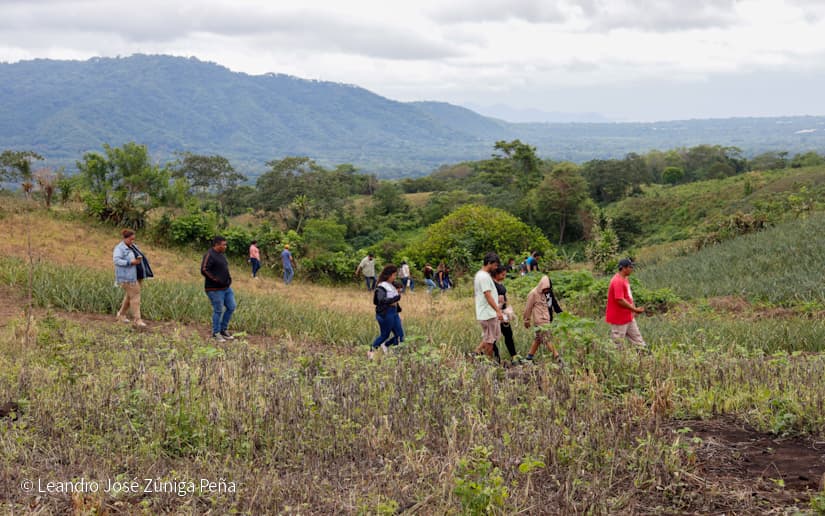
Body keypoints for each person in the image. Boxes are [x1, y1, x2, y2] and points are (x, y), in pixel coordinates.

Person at [113, 228, 152, 328]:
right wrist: (130, 262)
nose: (132, 241)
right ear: (125, 238)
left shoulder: (133, 246)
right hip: (127, 277)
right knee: (135, 296)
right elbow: (116, 260)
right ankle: (137, 320)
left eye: (133, 239)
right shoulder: (119, 248)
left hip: (136, 275)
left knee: (129, 296)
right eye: (131, 239)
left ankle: (121, 315)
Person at [606, 258, 647, 349]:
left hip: (628, 316)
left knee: (637, 339)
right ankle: (614, 361)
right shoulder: (617, 281)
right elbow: (619, 300)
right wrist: (634, 309)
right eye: (630, 267)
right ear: (624, 268)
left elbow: (628, 296)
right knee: (617, 344)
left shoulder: (625, 279)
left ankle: (646, 357)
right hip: (619, 318)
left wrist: (633, 310)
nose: (632, 269)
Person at [201, 236, 236, 342]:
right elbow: (204, 269)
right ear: (217, 244)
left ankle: (223, 330)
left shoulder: (221, 255)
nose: (225, 246)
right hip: (214, 289)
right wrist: (216, 280)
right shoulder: (209, 255)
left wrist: (228, 279)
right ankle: (216, 333)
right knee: (218, 310)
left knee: (231, 306)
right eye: (223, 244)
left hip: (226, 288)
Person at [523, 275, 564, 364]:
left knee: (538, 339)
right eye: (545, 289)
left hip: (548, 319)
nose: (546, 291)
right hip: (540, 320)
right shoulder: (533, 293)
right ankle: (558, 358)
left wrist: (563, 315)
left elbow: (555, 304)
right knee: (546, 339)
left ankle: (529, 358)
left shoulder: (548, 292)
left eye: (548, 289)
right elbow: (528, 308)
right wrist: (526, 320)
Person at [369, 264, 404, 359]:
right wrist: (395, 299)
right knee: (385, 335)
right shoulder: (382, 286)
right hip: (386, 313)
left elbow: (395, 301)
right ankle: (371, 351)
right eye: (394, 275)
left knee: (400, 336)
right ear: (389, 275)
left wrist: (398, 312)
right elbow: (380, 301)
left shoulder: (391, 285)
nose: (395, 277)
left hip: (394, 313)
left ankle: (393, 352)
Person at [473, 252, 503, 359]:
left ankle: (476, 353)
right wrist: (498, 310)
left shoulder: (480, 275)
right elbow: (487, 295)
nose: (496, 268)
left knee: (488, 338)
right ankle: (489, 365)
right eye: (495, 265)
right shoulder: (484, 277)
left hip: (487, 312)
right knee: (490, 341)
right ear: (489, 263)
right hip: (488, 314)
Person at [492, 265, 519, 363]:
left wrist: (507, 308)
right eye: (503, 274)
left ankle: (514, 356)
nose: (504, 276)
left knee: (508, 334)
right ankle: (496, 358)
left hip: (503, 313)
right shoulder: (492, 285)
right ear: (497, 274)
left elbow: (504, 297)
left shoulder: (500, 284)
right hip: (496, 313)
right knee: (493, 337)